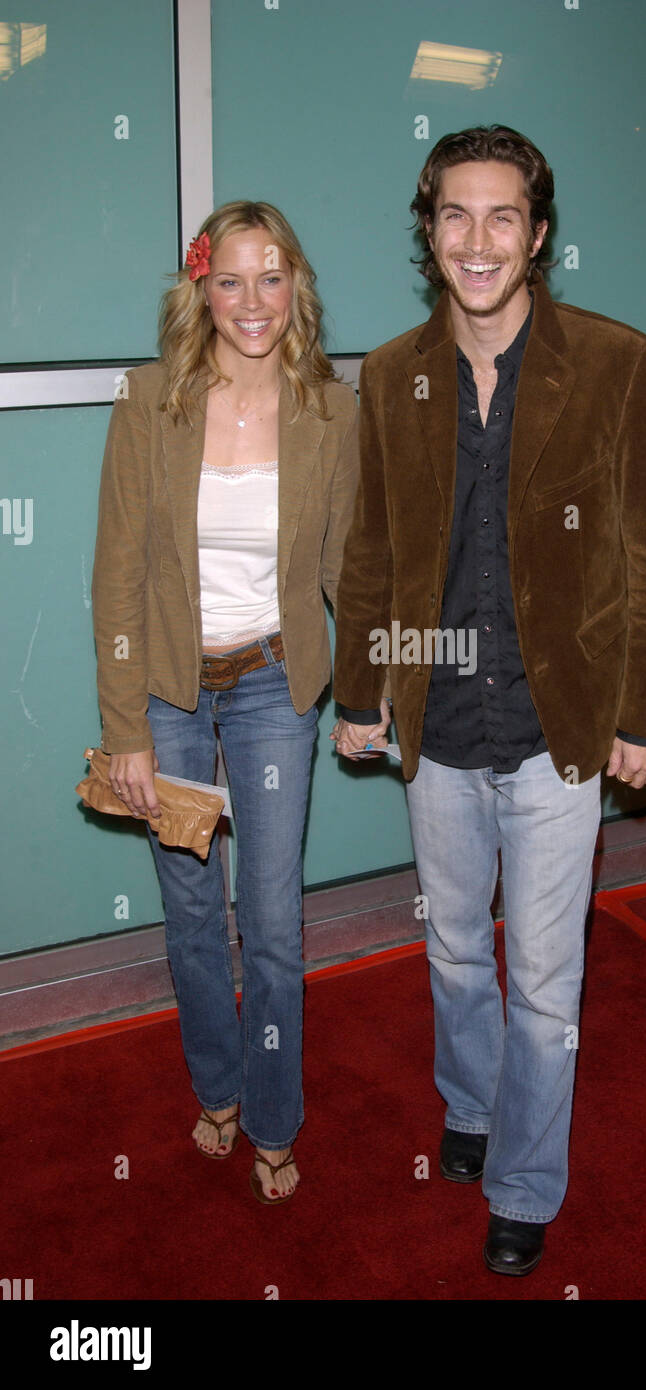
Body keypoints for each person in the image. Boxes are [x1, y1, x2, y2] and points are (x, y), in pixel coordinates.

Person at [331, 127, 646, 1273]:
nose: (476, 241)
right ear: (427, 230)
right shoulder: (392, 374)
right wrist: (361, 692)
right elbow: (377, 547)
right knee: (450, 950)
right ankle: (472, 1105)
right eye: (453, 215)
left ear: (538, 235)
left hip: (560, 732)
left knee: (544, 978)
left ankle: (526, 1187)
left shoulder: (619, 363)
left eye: (501, 217)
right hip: (438, 728)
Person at [92, 200, 358, 1205]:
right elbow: (116, 573)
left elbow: (345, 570)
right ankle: (217, 1088)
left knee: (274, 921)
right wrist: (124, 728)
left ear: (298, 287)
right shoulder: (151, 400)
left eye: (273, 276)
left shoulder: (333, 411)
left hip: (270, 687)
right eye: (232, 279)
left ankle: (277, 1117)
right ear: (201, 287)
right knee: (190, 908)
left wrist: (375, 688)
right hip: (165, 692)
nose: (253, 302)